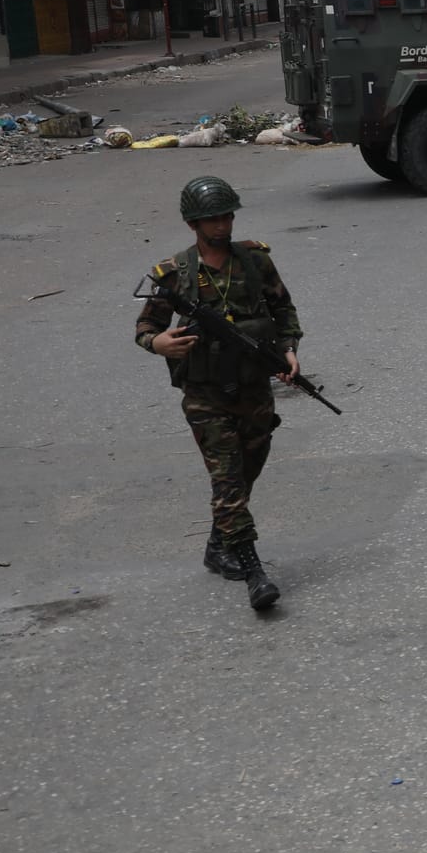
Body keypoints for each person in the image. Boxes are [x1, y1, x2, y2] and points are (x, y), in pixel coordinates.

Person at [134, 176, 304, 612]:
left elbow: (283, 309)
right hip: (205, 394)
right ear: (193, 222)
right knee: (227, 481)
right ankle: (254, 571)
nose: (223, 225)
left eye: (228, 215)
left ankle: (218, 542)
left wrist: (288, 352)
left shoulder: (255, 262)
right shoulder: (175, 274)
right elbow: (146, 327)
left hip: (253, 387)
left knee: (249, 466)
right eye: (213, 218)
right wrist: (160, 344)